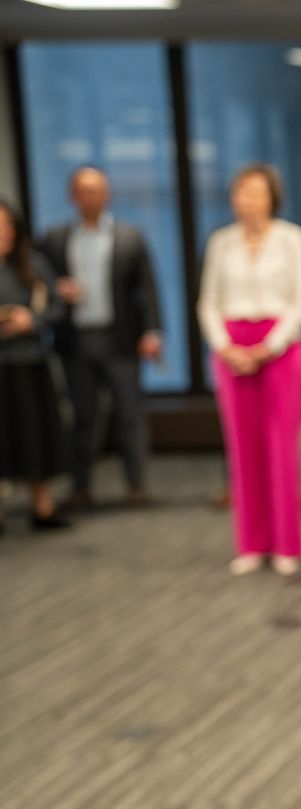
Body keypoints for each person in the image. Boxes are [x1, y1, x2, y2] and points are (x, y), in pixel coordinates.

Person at [197, 164, 301, 577]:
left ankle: (286, 544)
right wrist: (224, 346)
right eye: (241, 192)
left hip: (279, 348)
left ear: (272, 198)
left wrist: (267, 347)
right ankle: (251, 543)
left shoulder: (292, 239)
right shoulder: (221, 242)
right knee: (242, 448)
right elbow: (208, 303)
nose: (246, 200)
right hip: (232, 348)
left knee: (282, 448)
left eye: (255, 192)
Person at [37, 166, 163, 509]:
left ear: (107, 194)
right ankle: (81, 487)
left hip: (120, 339)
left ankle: (137, 485)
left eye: (97, 190)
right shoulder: (55, 239)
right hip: (76, 341)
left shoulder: (128, 236)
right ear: (72, 196)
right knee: (82, 417)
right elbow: (37, 281)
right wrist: (56, 289)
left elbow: (147, 288)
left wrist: (152, 332)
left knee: (130, 414)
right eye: (84, 190)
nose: (91, 197)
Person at [0, 199, 70, 534]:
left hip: (30, 361)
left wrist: (32, 320)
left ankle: (42, 504)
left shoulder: (33, 263)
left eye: (5, 225)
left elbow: (56, 308)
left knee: (35, 435)